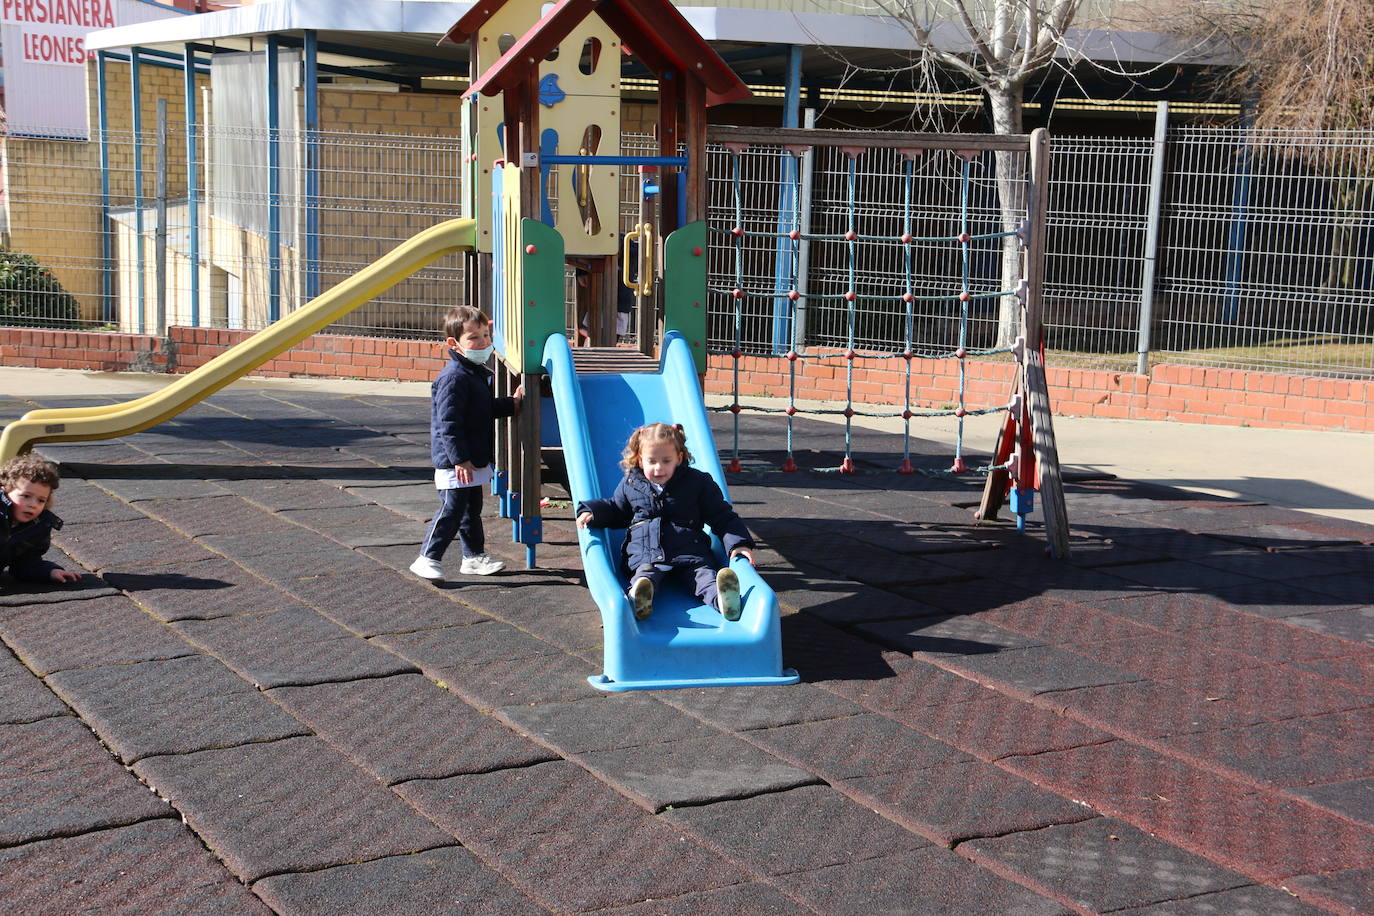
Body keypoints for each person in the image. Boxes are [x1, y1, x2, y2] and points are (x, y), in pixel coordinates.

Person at [576, 423, 755, 621]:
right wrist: (593, 511)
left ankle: (723, 601)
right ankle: (640, 598)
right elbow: (617, 510)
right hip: (647, 552)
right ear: (640, 460)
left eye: (666, 460)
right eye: (652, 461)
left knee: (703, 577)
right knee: (645, 575)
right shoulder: (631, 483)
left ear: (678, 458)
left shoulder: (697, 482)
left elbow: (721, 515)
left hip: (689, 551)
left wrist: (739, 543)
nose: (658, 467)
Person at [410, 305, 522, 583]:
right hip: (456, 461)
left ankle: (473, 557)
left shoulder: (473, 373)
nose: (483, 342)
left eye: (485, 335)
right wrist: (459, 459)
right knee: (452, 509)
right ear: (454, 344)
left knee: (471, 509)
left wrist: (512, 404)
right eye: (473, 338)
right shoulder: (454, 378)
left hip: (470, 457)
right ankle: (427, 557)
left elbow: (481, 411)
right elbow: (448, 424)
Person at [1, 455, 80, 586]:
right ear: (6, 490)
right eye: (26, 496)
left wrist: (50, 572)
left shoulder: (38, 526)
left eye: (41, 500)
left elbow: (26, 563)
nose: (33, 504)